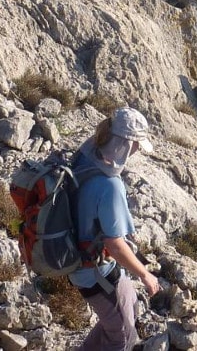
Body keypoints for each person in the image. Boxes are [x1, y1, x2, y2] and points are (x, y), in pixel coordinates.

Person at [71, 106, 161, 351]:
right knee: (122, 335)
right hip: (95, 272)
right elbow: (115, 244)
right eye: (135, 145)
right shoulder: (110, 185)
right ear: (125, 143)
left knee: (129, 304)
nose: (135, 151)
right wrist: (145, 275)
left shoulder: (84, 161)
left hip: (80, 261)